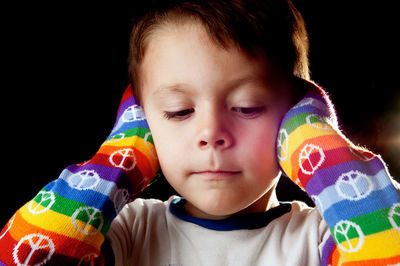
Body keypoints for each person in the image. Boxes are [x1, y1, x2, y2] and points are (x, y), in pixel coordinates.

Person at [1, 0, 399, 265]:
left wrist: (312, 136)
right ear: (141, 121)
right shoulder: (129, 231)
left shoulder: (322, 239)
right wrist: (122, 155)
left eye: (247, 107)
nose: (210, 133)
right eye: (178, 112)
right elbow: (26, 254)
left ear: (296, 117)